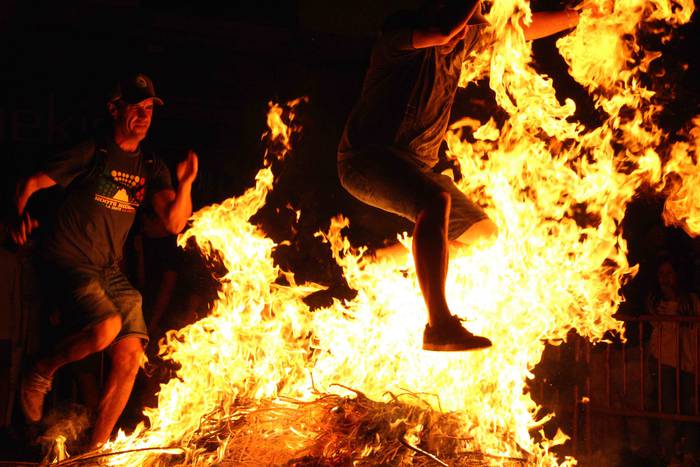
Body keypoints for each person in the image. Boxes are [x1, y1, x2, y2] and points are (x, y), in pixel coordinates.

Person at [337, 0, 581, 351]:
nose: (461, 37)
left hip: (413, 164)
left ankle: (378, 260)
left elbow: (518, 30)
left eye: (468, 28)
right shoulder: (399, 39)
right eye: (461, 24)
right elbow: (444, 31)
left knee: (483, 234)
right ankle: (438, 325)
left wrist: (575, 16)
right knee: (435, 203)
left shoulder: (462, 39)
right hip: (366, 159)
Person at [10, 73, 199, 450]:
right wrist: (16, 217)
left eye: (149, 109)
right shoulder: (92, 151)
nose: (144, 116)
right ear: (115, 110)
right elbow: (30, 182)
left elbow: (175, 222)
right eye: (136, 108)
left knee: (131, 354)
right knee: (107, 326)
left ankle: (93, 451)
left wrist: (188, 182)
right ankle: (40, 373)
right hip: (68, 258)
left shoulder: (150, 164)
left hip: (107, 269)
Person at [646, 255, 699, 463]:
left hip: (689, 362)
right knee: (668, 409)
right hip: (664, 362)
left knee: (691, 407)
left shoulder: (692, 300)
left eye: (669, 273)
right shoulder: (655, 301)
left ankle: (690, 453)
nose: (664, 279)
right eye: (661, 274)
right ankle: (669, 454)